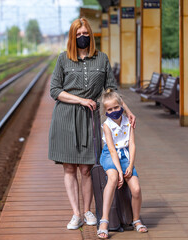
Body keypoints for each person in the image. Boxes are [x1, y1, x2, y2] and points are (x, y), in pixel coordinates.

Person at [49, 17, 136, 230]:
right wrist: (80, 100)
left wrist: (128, 111)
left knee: (87, 169)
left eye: (85, 33)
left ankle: (88, 211)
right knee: (69, 168)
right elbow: (55, 91)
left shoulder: (102, 59)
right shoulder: (63, 59)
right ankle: (75, 214)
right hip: (65, 118)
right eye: (78, 35)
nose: (82, 37)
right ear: (72, 37)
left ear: (91, 35)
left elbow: (111, 89)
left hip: (90, 120)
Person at [97, 91, 147, 239]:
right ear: (105, 111)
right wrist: (119, 171)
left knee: (136, 189)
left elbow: (132, 144)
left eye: (116, 107)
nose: (114, 111)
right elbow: (111, 150)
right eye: (109, 109)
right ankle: (104, 221)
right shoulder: (107, 125)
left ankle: (136, 220)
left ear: (122, 106)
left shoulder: (128, 122)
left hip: (125, 156)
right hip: (110, 156)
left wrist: (130, 166)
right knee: (112, 178)